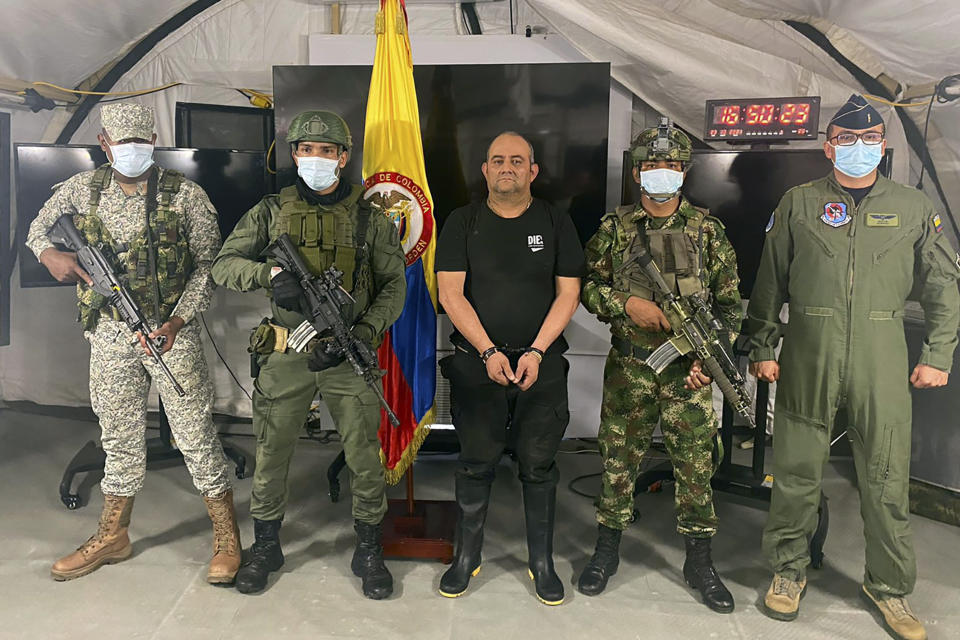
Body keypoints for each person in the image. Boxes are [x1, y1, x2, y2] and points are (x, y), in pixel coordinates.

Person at [749, 94, 960, 640]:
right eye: (846, 139)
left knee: (886, 480)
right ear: (828, 146)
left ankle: (889, 588)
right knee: (795, 471)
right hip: (808, 351)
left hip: (882, 351)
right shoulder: (798, 202)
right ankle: (788, 572)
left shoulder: (913, 208)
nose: (858, 148)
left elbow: (943, 285)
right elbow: (768, 282)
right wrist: (763, 346)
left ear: (883, 147)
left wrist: (938, 354)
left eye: (868, 140)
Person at [27, 102, 241, 585]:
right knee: (119, 436)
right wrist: (48, 255)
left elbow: (210, 266)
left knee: (195, 435)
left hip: (170, 335)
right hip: (109, 334)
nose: (132, 152)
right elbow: (38, 230)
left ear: (154, 144)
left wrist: (180, 320)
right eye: (123, 145)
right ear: (104, 145)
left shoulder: (186, 196)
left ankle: (227, 537)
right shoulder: (83, 189)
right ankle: (113, 536)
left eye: (141, 144)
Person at [211, 110, 406, 599]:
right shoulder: (269, 212)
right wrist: (270, 277)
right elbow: (223, 265)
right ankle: (267, 545)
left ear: (343, 157)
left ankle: (368, 546)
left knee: (364, 453)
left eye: (326, 151)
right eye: (306, 149)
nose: (315, 159)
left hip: (348, 353)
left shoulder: (371, 219)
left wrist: (363, 332)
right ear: (293, 154)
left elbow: (394, 287)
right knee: (273, 450)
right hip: (285, 352)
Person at [577, 120, 741, 613]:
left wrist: (708, 364)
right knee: (617, 460)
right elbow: (586, 287)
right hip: (630, 367)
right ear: (637, 173)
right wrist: (626, 305)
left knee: (695, 466)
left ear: (684, 171)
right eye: (652, 165)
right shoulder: (613, 229)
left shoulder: (709, 233)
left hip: (687, 372)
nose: (661, 173)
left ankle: (699, 561)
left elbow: (731, 308)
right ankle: (606, 550)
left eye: (670, 165)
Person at [435, 131, 584, 606]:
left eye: (517, 161)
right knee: (475, 463)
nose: (507, 167)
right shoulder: (462, 221)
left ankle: (542, 563)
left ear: (533, 171)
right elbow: (450, 294)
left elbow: (569, 294)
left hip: (541, 364)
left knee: (539, 466)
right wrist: (487, 352)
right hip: (478, 364)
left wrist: (537, 352)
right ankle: (466, 557)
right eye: (497, 159)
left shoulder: (556, 222)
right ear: (485, 169)